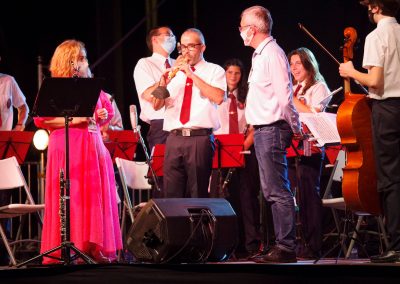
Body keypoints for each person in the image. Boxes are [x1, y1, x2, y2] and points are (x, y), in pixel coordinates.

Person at [34, 39, 122, 264]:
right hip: (67, 145)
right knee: (72, 196)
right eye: (79, 58)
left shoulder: (92, 87)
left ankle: (94, 247)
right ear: (68, 61)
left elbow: (107, 111)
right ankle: (69, 247)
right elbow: (41, 119)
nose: (84, 63)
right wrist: (75, 119)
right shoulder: (54, 87)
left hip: (93, 146)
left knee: (95, 196)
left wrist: (102, 115)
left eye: (84, 58)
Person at [239, 6, 302, 263]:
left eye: (242, 25)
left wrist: (296, 127)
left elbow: (285, 96)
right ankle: (277, 243)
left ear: (252, 29)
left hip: (273, 129)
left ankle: (286, 247)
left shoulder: (273, 54)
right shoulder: (260, 55)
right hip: (263, 130)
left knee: (278, 190)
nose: (240, 30)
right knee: (269, 191)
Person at [339, 0, 400, 263]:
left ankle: (397, 246)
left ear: (375, 7)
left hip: (387, 110)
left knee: (390, 178)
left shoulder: (378, 35)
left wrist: (351, 71)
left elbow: (375, 81)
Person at [153, 28, 226, 198]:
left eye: (191, 46)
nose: (186, 51)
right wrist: (163, 81)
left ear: (203, 48)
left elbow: (218, 97)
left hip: (199, 139)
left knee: (197, 194)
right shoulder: (175, 73)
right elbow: (156, 105)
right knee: (171, 195)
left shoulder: (214, 70)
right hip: (174, 139)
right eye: (183, 47)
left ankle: (198, 226)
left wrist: (191, 74)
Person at [210, 58, 262, 257]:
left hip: (243, 152)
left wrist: (242, 147)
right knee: (221, 199)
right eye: (229, 72)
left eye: (237, 73)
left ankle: (249, 245)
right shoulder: (216, 96)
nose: (233, 76)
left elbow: (254, 125)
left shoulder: (248, 97)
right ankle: (224, 244)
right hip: (220, 153)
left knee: (247, 199)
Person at [287, 47, 331, 259]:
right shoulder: (293, 88)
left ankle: (314, 245)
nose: (294, 67)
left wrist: (291, 99)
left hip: (311, 147)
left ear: (308, 64)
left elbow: (314, 114)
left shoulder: (318, 87)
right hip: (291, 148)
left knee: (308, 196)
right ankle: (298, 242)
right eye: (291, 63)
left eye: (298, 63)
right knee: (294, 199)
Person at [0, 55, 30, 265]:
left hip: (4, 148)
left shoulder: (8, 81)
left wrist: (19, 127)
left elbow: (23, 107)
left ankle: (3, 252)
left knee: (3, 200)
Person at [133, 26, 176, 153]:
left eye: (173, 36)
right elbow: (148, 95)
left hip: (182, 123)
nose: (172, 38)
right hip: (161, 124)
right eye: (168, 35)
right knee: (163, 169)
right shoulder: (145, 63)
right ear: (155, 39)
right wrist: (167, 77)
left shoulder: (177, 62)